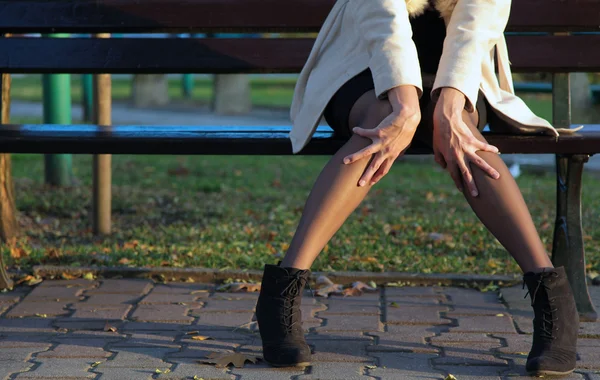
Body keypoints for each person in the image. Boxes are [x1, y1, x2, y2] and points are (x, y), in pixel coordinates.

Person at [254, 0, 579, 376]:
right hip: (365, 55)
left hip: (459, 60)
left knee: (464, 134)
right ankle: (282, 293)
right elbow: (379, 12)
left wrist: (451, 103)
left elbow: (480, 14)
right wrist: (405, 101)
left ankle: (552, 300)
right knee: (381, 120)